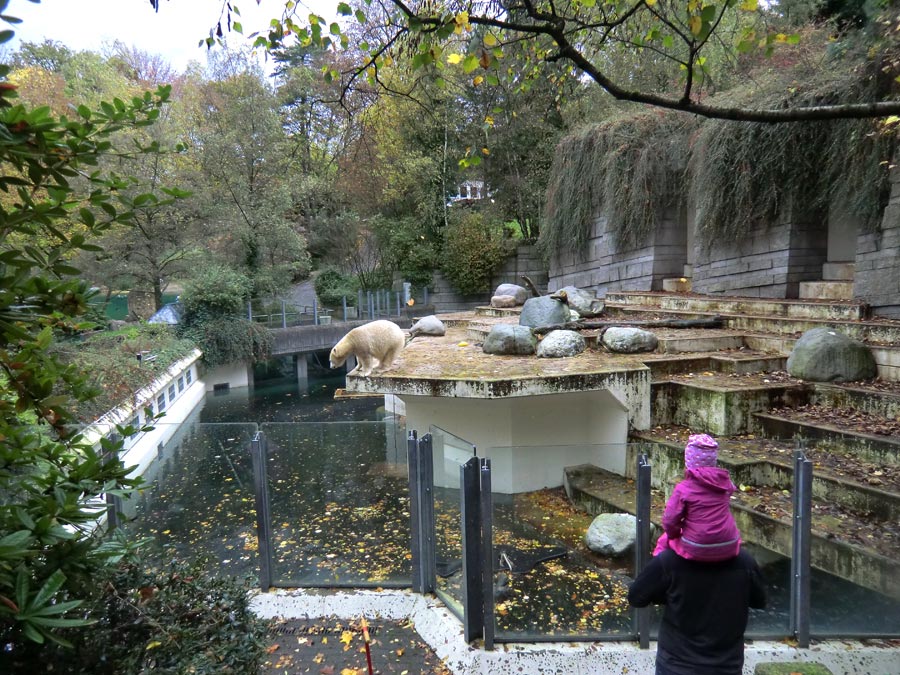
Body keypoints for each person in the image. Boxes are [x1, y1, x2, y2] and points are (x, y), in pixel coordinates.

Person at [628, 547, 767, 675]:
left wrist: (672, 595)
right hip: (726, 666)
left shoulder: (669, 560)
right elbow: (760, 601)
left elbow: (636, 597)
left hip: (677, 665)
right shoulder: (744, 561)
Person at [653, 433, 742, 561]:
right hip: (730, 542)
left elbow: (670, 520)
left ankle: (656, 567)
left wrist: (674, 534)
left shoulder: (684, 489)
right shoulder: (725, 484)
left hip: (698, 546)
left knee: (664, 540)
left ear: (688, 462)